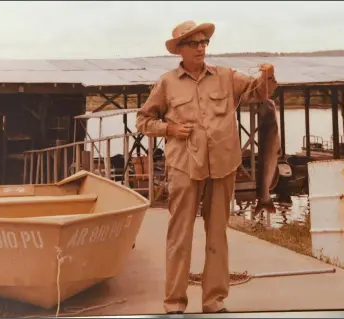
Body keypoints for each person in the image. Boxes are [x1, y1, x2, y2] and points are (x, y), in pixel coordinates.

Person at [136, 20, 278, 314]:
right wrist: (170, 129)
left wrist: (268, 75)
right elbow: (143, 122)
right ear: (181, 49)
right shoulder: (166, 83)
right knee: (180, 236)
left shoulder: (226, 76)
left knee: (217, 235)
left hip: (223, 166)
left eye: (204, 43)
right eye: (194, 43)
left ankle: (214, 301)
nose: (201, 48)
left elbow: (259, 93)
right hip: (184, 167)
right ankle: (174, 303)